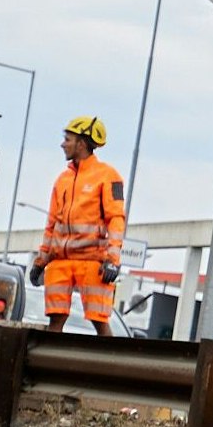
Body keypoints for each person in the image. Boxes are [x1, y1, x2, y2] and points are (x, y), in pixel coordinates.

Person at [33, 116, 125, 334]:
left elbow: (116, 219)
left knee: (99, 320)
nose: (63, 144)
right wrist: (41, 260)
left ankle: (110, 366)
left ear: (82, 144)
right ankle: (49, 365)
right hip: (60, 261)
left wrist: (112, 260)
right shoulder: (62, 180)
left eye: (68, 139)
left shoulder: (108, 176)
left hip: (93, 262)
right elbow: (52, 224)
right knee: (55, 320)